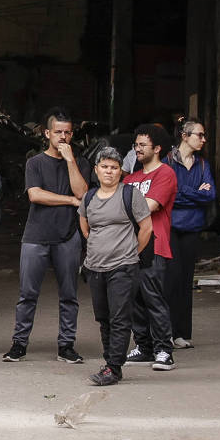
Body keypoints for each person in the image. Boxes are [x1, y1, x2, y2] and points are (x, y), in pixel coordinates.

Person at [78, 146, 169, 387]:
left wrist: (132, 254)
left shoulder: (130, 195)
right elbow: (85, 227)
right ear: (96, 170)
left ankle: (113, 367)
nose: (109, 171)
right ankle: (110, 361)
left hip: (124, 266)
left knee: (120, 317)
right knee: (104, 317)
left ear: (121, 171)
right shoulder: (89, 197)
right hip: (95, 267)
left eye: (114, 168)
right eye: (105, 167)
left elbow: (146, 228)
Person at [9, 109, 88, 365]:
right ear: (47, 133)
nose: (63, 137)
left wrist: (70, 161)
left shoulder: (80, 162)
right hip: (36, 236)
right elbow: (35, 195)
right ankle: (19, 344)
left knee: (69, 295)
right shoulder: (35, 162)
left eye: (67, 132)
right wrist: (68, 200)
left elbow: (83, 194)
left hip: (68, 236)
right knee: (27, 294)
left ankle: (66, 345)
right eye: (58, 132)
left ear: (72, 133)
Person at [120, 125, 182, 371]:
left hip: (155, 244)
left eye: (143, 145)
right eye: (136, 145)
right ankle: (143, 347)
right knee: (134, 299)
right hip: (129, 246)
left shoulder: (165, 174)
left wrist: (121, 209)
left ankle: (164, 350)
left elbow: (151, 205)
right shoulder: (131, 178)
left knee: (153, 298)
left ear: (157, 148)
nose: (137, 148)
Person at [164, 118, 216, 349]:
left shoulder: (202, 165)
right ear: (185, 136)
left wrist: (185, 193)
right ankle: (166, 331)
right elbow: (169, 194)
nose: (203, 140)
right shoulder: (167, 162)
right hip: (171, 228)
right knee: (170, 279)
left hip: (192, 227)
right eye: (199, 135)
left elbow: (210, 195)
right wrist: (194, 191)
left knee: (186, 281)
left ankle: (182, 333)